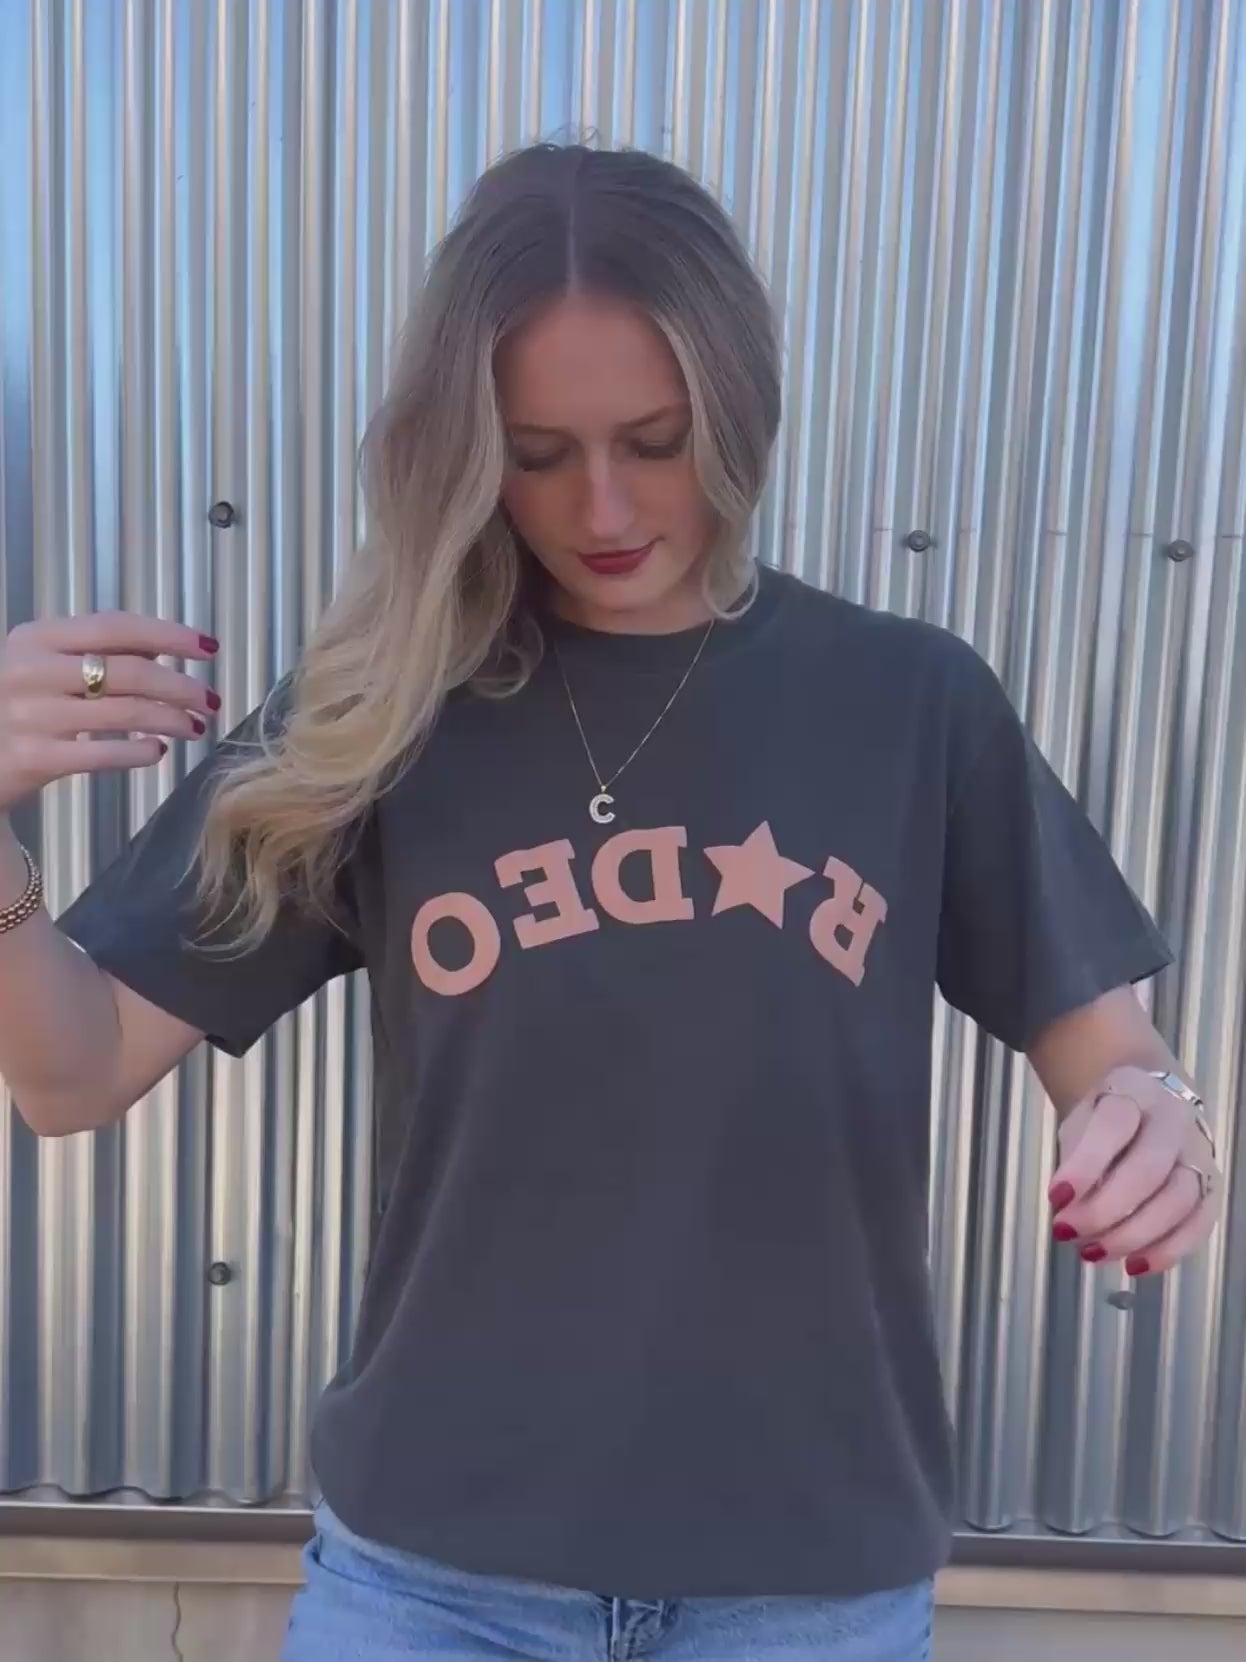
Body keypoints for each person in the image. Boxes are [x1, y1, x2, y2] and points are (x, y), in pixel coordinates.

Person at [0, 142, 1224, 1662]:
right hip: (436, 1583)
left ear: (738, 407)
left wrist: (1161, 1113)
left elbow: (1111, 1053)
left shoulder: (908, 702)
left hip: (803, 1585)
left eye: (654, 440)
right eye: (534, 452)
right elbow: (69, 1072)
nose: (601, 504)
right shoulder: (379, 715)